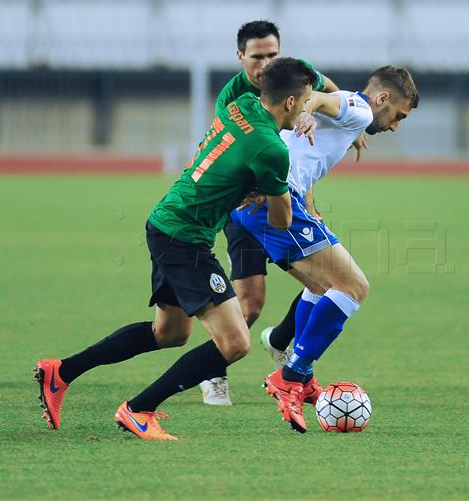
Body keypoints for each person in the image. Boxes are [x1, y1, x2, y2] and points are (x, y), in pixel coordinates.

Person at [34, 58, 317, 440]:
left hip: (167, 221)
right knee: (235, 343)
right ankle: (139, 409)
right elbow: (281, 221)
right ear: (288, 103)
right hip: (186, 238)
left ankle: (61, 372)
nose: (306, 108)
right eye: (305, 101)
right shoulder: (271, 150)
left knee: (169, 333)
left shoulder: (241, 105)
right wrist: (273, 191)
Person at [231, 65, 419, 432]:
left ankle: (302, 377)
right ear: (382, 98)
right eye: (398, 115)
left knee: (322, 287)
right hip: (278, 204)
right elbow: (319, 96)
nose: (395, 125)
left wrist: (317, 114)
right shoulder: (360, 108)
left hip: (264, 203)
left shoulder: (353, 115)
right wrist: (307, 109)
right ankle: (292, 375)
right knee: (354, 287)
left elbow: (316, 86)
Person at [200, 19, 365, 406]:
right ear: (240, 57)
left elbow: (328, 94)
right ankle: (214, 370)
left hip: (277, 197)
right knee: (250, 304)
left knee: (324, 283)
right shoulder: (233, 98)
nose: (265, 63)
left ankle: (287, 356)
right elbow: (249, 155)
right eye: (257, 56)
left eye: (272, 54)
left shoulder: (295, 75)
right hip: (246, 202)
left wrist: (352, 125)